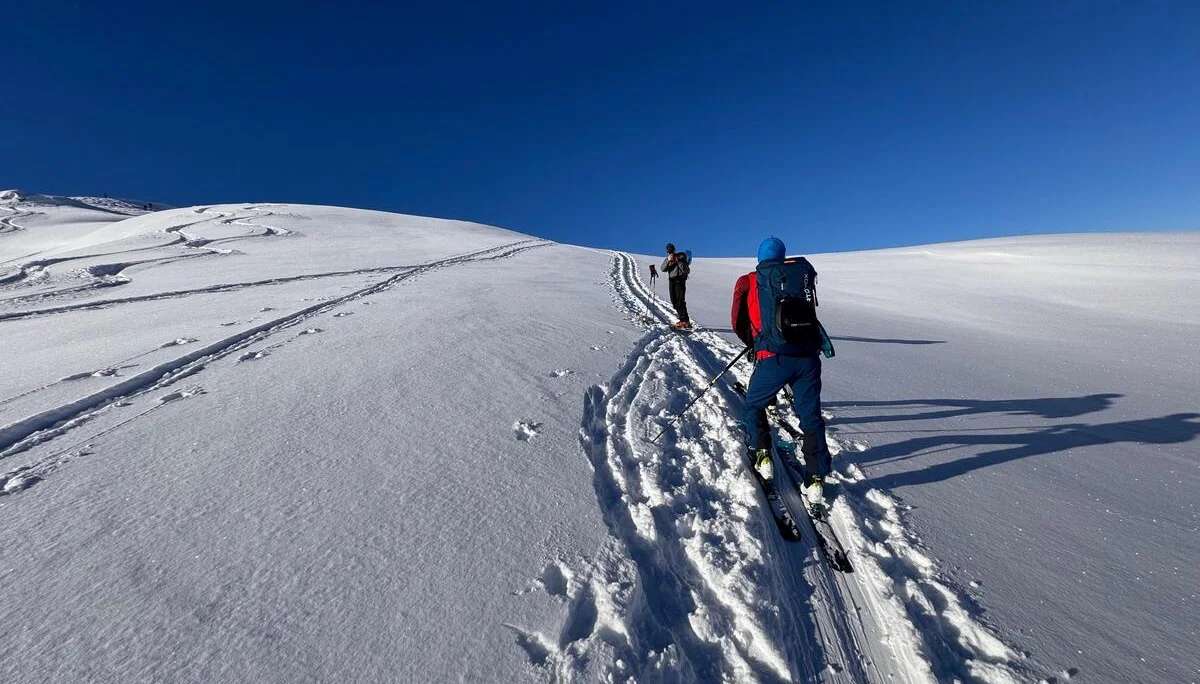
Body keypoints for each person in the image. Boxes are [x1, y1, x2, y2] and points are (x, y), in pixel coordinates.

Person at [731, 237, 833, 510]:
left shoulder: (749, 280)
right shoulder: (798, 276)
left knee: (754, 404)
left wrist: (754, 342)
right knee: (810, 415)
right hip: (808, 359)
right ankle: (815, 479)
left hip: (772, 359)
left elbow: (737, 321)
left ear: (760, 257)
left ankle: (762, 454)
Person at [661, 243, 691, 329]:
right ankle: (683, 320)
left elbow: (686, 270)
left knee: (680, 300)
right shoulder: (668, 258)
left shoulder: (681, 257)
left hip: (680, 280)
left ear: (674, 250)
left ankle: (685, 321)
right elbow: (663, 269)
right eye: (668, 251)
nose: (670, 252)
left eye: (671, 250)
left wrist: (678, 260)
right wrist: (668, 260)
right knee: (674, 302)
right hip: (672, 281)